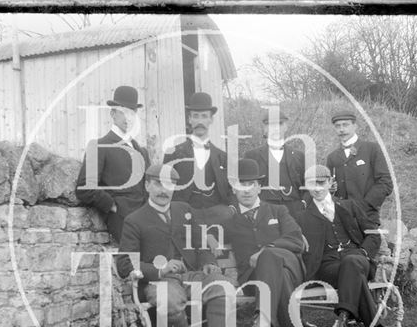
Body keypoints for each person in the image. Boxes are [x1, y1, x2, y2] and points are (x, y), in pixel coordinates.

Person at [116, 164, 239, 327]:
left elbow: (200, 244)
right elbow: (124, 263)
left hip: (191, 275)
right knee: (169, 298)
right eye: (158, 184)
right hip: (160, 281)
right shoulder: (134, 220)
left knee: (223, 285)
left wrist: (209, 261)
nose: (164, 190)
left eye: (169, 185)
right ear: (147, 186)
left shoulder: (184, 210)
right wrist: (161, 269)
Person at [222, 158, 329, 327]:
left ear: (259, 186)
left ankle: (263, 322)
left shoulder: (278, 211)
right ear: (234, 189)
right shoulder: (229, 219)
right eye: (240, 185)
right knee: (279, 279)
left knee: (269, 256)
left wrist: (265, 249)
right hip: (254, 276)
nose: (246, 190)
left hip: (291, 264)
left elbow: (296, 240)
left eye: (251, 184)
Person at [295, 164, 394, 327]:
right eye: (310, 184)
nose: (316, 188)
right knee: (353, 271)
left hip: (359, 258)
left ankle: (343, 318)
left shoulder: (349, 206)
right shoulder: (303, 216)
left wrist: (365, 252)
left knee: (352, 262)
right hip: (328, 267)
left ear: (331, 182)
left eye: (321, 183)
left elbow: (373, 234)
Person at [76, 85, 150, 242]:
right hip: (121, 219)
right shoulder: (99, 146)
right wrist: (112, 206)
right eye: (123, 112)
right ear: (113, 113)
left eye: (132, 112)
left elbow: (148, 187)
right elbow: (84, 187)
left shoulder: (142, 151)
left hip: (145, 219)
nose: (128, 118)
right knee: (131, 263)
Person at [162, 91, 234, 226]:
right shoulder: (174, 153)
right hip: (183, 217)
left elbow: (232, 190)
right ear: (189, 119)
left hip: (216, 217)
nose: (200, 121)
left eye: (204, 116)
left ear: (211, 119)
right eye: (196, 116)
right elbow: (165, 186)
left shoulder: (223, 157)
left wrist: (231, 209)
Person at [326, 111, 393, 225]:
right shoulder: (332, 157)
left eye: (345, 125)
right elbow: (327, 187)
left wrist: (366, 205)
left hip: (367, 216)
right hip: (342, 218)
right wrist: (330, 190)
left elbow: (385, 182)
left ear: (355, 126)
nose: (341, 129)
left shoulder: (372, 149)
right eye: (338, 126)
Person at [243, 109, 308, 216]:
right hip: (263, 211)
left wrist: (304, 202)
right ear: (265, 128)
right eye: (271, 125)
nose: (276, 129)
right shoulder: (251, 156)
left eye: (280, 124)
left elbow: (308, 184)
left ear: (286, 127)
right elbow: (245, 186)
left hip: (294, 211)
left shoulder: (299, 156)